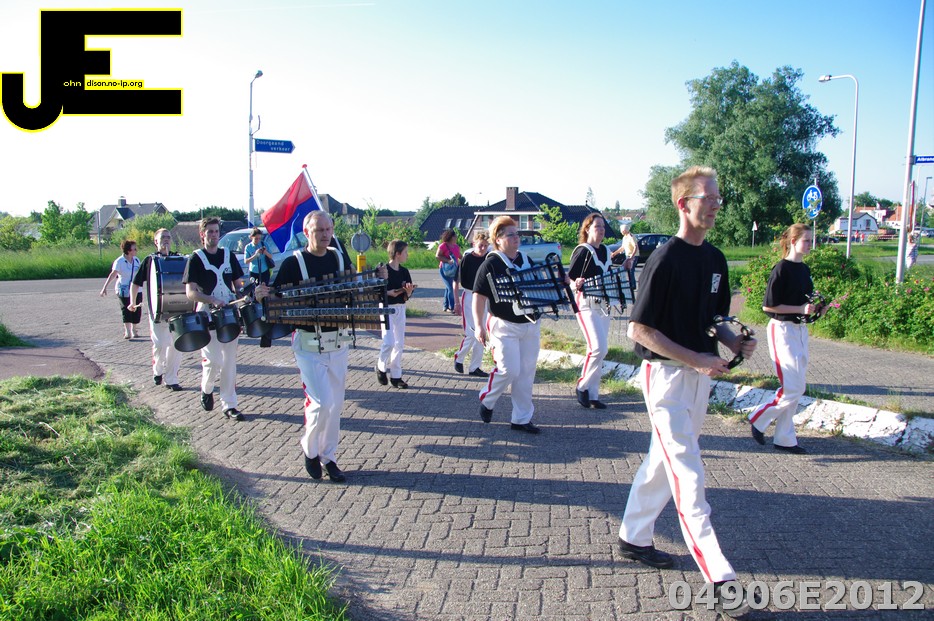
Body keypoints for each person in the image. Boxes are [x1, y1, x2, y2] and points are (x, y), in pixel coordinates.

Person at [617, 166, 757, 614]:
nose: (715, 205)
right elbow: (639, 330)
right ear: (683, 204)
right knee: (689, 475)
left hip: (699, 378)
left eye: (718, 198)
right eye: (707, 198)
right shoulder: (664, 259)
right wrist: (695, 357)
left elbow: (713, 318)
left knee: (663, 462)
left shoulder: (715, 259)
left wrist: (732, 341)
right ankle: (720, 578)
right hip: (666, 380)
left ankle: (633, 537)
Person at [256, 211, 355, 483]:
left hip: (338, 340)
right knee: (321, 402)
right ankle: (310, 450)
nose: (325, 234)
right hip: (308, 342)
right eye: (319, 230)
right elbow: (274, 296)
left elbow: (353, 287)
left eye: (328, 229)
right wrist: (261, 295)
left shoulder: (339, 257)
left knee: (335, 405)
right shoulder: (293, 263)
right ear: (306, 232)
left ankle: (329, 457)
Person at [472, 216, 557, 435]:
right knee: (509, 370)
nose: (516, 238)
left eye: (517, 234)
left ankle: (521, 418)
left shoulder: (525, 259)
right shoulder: (491, 263)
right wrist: (479, 326)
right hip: (504, 325)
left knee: (526, 373)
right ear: (498, 239)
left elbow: (538, 284)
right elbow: (478, 296)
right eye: (510, 235)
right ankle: (487, 399)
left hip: (530, 324)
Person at [748, 223, 819, 455]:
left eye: (811, 240)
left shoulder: (804, 269)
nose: (810, 244)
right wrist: (800, 308)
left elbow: (803, 304)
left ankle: (785, 439)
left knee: (795, 386)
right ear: (793, 241)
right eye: (806, 240)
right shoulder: (781, 269)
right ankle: (758, 418)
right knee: (794, 386)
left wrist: (816, 310)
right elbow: (768, 306)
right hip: (782, 330)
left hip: (800, 330)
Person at [183, 217, 247, 421]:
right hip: (207, 314)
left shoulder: (228, 255)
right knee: (213, 360)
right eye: (210, 231)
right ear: (202, 234)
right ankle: (207, 388)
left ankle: (229, 404)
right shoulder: (195, 258)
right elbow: (190, 292)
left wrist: (243, 294)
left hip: (229, 314)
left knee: (229, 361)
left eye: (216, 231)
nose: (214, 235)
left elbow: (238, 284)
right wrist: (211, 299)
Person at [127, 228, 184, 391]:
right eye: (163, 237)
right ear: (156, 241)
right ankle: (157, 370)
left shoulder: (178, 259)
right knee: (160, 344)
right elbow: (135, 283)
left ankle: (171, 379)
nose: (166, 239)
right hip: (157, 310)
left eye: (168, 237)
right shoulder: (150, 261)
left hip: (177, 310)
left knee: (176, 346)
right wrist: (132, 302)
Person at [569, 213, 612, 409]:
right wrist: (575, 283)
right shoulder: (582, 251)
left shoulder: (606, 251)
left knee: (598, 351)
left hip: (603, 304)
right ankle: (582, 385)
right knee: (598, 348)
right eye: (597, 226)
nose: (601, 230)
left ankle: (593, 394)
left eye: (603, 226)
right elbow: (568, 279)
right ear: (587, 229)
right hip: (585, 303)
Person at [375, 240, 416, 389]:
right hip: (386, 308)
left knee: (399, 343)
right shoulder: (383, 270)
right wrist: (388, 293)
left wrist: (408, 292)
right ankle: (380, 366)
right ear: (397, 254)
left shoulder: (404, 271)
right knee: (389, 342)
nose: (407, 255)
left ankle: (396, 376)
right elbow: (376, 291)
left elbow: (407, 295)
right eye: (405, 252)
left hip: (400, 307)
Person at [453, 231, 490, 377]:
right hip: (470, 295)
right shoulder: (467, 259)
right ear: (474, 244)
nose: (483, 248)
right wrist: (456, 302)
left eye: (486, 245)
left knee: (482, 332)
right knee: (471, 332)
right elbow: (456, 281)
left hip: (485, 297)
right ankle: (459, 356)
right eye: (481, 245)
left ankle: (475, 367)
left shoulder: (489, 259)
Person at [99, 239, 142, 339]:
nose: (136, 250)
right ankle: (127, 331)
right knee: (126, 309)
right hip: (123, 289)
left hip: (136, 289)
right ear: (129, 250)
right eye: (134, 249)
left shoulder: (136, 260)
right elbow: (113, 274)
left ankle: (134, 329)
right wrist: (104, 287)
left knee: (136, 309)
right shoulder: (119, 261)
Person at [436, 229, 462, 313]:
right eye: (455, 236)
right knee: (451, 287)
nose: (456, 237)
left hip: (454, 270)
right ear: (451, 237)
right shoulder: (443, 246)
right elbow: (437, 256)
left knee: (448, 288)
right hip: (444, 270)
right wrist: (447, 261)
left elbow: (460, 256)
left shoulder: (456, 247)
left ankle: (445, 306)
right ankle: (452, 307)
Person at [610, 222, 638, 301]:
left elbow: (635, 247)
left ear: (625, 230)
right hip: (627, 256)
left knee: (631, 270)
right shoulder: (625, 237)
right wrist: (614, 254)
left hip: (633, 256)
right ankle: (631, 284)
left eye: (622, 230)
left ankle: (632, 285)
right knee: (626, 269)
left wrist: (632, 257)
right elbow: (622, 248)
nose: (621, 231)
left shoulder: (631, 237)